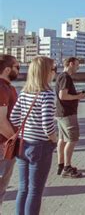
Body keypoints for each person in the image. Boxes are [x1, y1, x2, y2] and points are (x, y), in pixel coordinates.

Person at [10, 56, 58, 215]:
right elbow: (47, 124)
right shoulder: (48, 95)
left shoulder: (24, 93)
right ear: (46, 73)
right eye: (53, 69)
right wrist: (54, 139)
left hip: (23, 144)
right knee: (35, 190)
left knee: (23, 188)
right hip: (40, 146)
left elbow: (14, 118)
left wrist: (28, 127)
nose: (55, 73)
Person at [55, 57, 85, 178]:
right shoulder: (66, 77)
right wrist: (78, 97)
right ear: (71, 64)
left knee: (62, 139)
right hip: (68, 113)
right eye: (77, 65)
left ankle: (61, 165)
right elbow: (63, 95)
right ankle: (67, 167)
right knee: (72, 139)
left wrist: (76, 94)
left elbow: (64, 94)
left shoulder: (61, 76)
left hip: (61, 113)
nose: (78, 68)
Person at [0, 55, 20, 211]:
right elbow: (1, 122)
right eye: (17, 67)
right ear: (7, 69)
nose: (19, 70)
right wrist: (17, 141)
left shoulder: (7, 87)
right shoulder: (2, 88)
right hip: (3, 145)